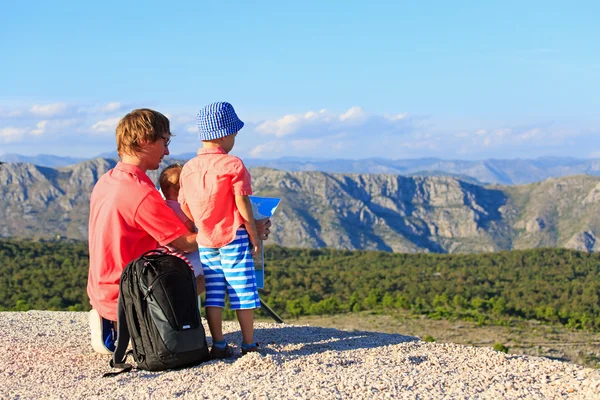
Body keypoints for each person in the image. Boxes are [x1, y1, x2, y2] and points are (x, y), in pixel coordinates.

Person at [178, 102, 264, 358]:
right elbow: (242, 201)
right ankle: (248, 344)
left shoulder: (188, 168)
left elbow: (184, 205)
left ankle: (218, 343)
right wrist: (253, 233)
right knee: (242, 289)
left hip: (205, 238)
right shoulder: (233, 164)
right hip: (233, 236)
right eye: (234, 134)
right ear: (225, 133)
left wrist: (201, 223)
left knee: (213, 292)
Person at [158, 163, 205, 294]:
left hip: (165, 254)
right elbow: (189, 231)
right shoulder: (180, 208)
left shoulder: (164, 206)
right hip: (180, 256)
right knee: (210, 263)